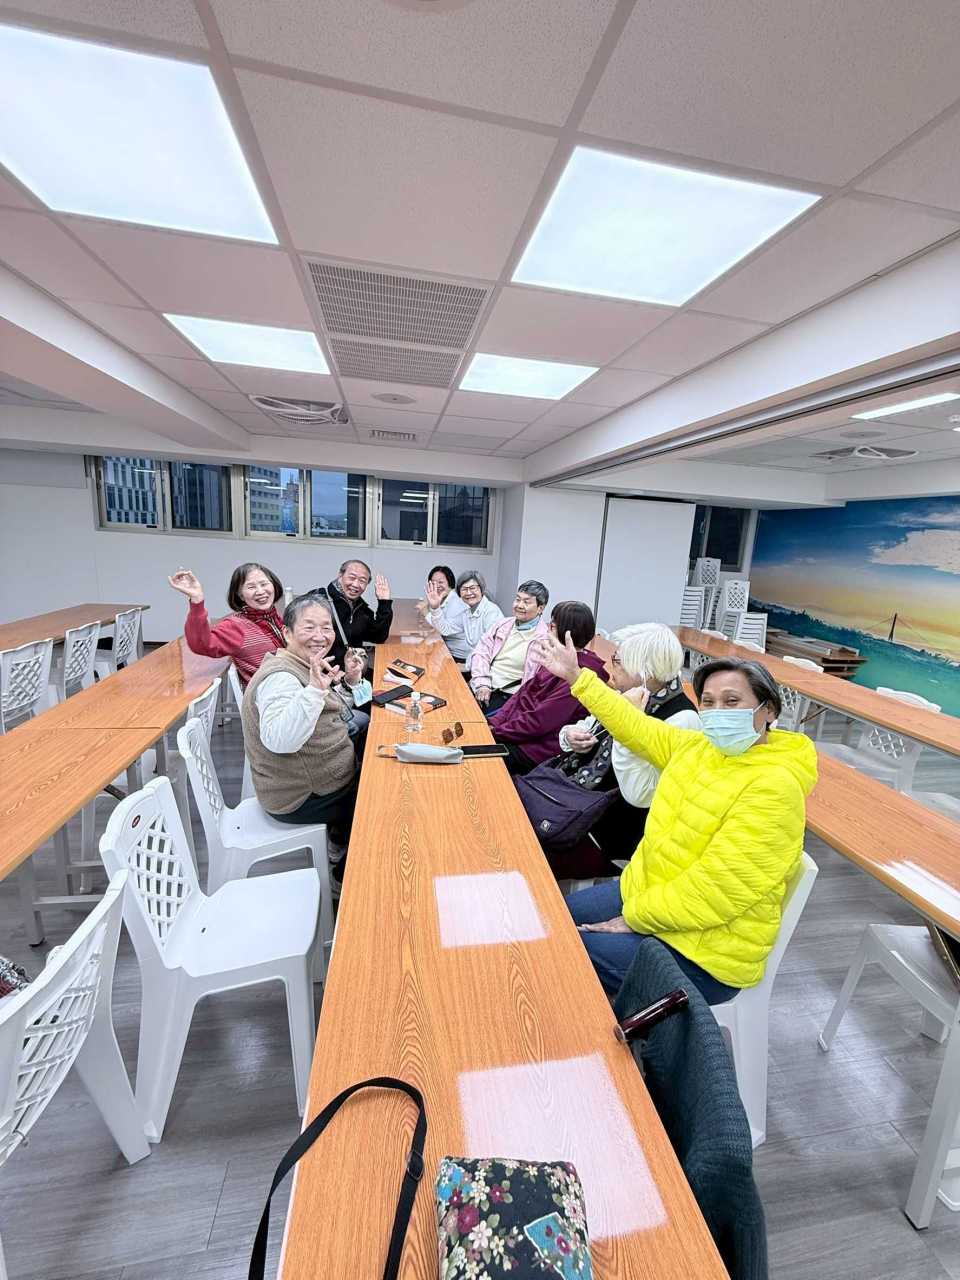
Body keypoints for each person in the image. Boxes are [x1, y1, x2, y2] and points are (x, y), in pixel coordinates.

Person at [533, 634, 817, 1005]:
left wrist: (634, 919)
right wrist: (577, 677)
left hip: (708, 951)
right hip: (650, 894)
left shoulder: (775, 788)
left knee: (558, 951)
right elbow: (634, 726)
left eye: (732, 701)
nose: (718, 712)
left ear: (769, 711)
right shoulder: (699, 748)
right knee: (548, 920)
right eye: (709, 702)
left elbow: (715, 893)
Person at [241, 594, 372, 882]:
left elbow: (331, 710)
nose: (320, 636)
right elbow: (280, 740)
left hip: (317, 776)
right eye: (309, 627)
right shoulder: (280, 678)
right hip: (300, 797)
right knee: (379, 796)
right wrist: (314, 690)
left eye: (326, 627)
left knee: (370, 743)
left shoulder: (302, 663)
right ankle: (343, 874)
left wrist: (349, 682)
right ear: (287, 632)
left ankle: (338, 840)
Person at [558, 624, 700, 861]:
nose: (610, 667)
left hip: (609, 829)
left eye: (618, 662)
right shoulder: (628, 692)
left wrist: (629, 723)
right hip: (577, 799)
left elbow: (641, 795)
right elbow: (583, 727)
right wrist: (568, 736)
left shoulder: (682, 720)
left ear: (647, 674)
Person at [489, 601, 609, 775]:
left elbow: (539, 722)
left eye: (552, 625)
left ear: (566, 633)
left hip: (533, 749)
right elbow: (523, 693)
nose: (547, 629)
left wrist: (497, 732)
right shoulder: (559, 657)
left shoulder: (580, 675)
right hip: (514, 731)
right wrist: (495, 722)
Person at [170, 563, 284, 686]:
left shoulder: (276, 618)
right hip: (272, 692)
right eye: (251, 587)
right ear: (240, 595)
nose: (260, 591)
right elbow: (201, 644)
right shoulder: (236, 626)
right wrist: (197, 600)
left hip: (289, 685)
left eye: (264, 584)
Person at [470, 580, 549, 714]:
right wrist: (482, 683)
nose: (519, 605)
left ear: (540, 608)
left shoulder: (545, 640)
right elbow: (481, 653)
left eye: (526, 602)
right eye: (518, 599)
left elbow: (539, 683)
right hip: (482, 686)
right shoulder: (503, 625)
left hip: (510, 698)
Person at [313, 559, 393, 667]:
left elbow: (378, 637)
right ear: (340, 575)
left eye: (362, 581)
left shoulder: (360, 607)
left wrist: (384, 602)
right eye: (352, 578)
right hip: (324, 670)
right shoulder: (317, 600)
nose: (356, 584)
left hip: (352, 669)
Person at [417, 565, 471, 663]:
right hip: (447, 647)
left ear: (450, 583)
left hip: (459, 655)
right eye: (433, 583)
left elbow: (443, 630)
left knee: (421, 655)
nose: (437, 586)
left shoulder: (457, 602)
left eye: (441, 582)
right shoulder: (444, 598)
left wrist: (425, 611)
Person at [454, 570, 504, 666]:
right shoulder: (467, 612)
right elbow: (448, 628)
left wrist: (467, 666)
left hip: (493, 666)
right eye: (464, 589)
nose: (469, 592)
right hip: (478, 663)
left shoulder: (491, 611)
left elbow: (489, 647)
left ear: (481, 589)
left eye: (473, 588)